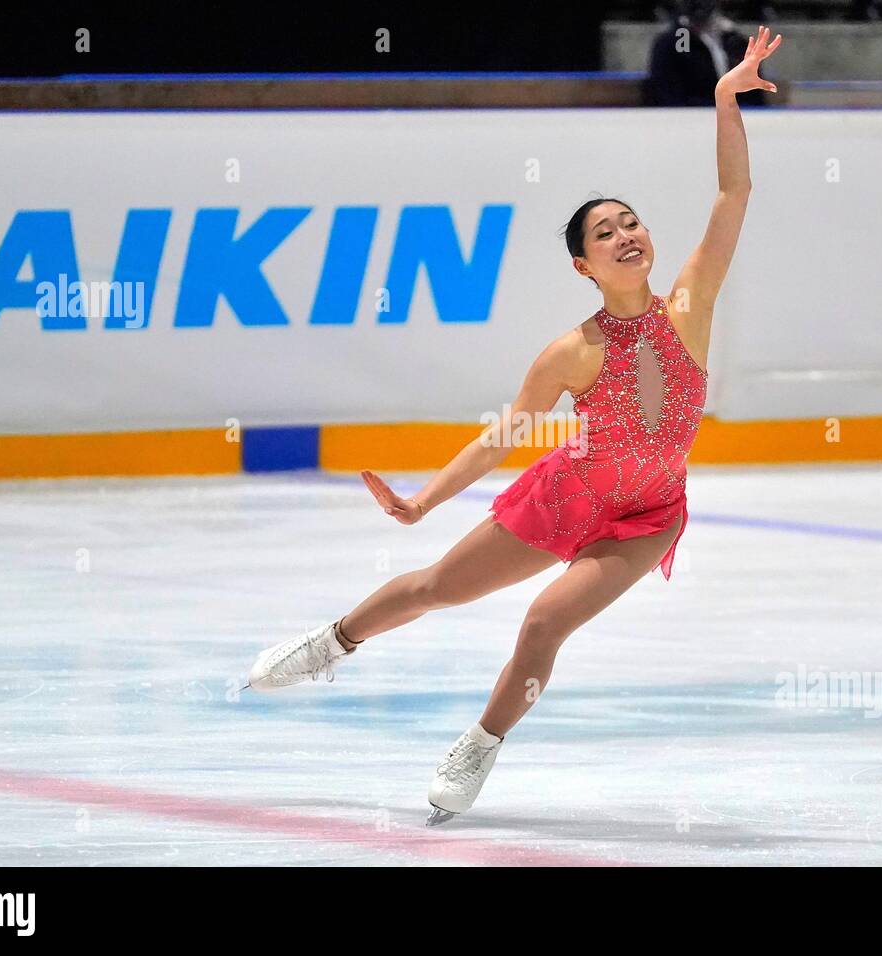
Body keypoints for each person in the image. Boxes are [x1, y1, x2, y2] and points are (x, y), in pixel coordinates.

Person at [244, 26, 783, 825]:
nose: (626, 234)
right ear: (584, 266)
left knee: (542, 621)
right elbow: (503, 436)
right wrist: (423, 502)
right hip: (564, 496)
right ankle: (334, 642)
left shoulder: (689, 307)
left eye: (630, 221)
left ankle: (480, 743)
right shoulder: (571, 352)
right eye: (606, 232)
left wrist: (723, 97)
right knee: (436, 588)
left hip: (644, 518)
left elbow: (733, 196)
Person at [645, 0, 771, 108]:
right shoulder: (670, 43)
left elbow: (754, 94)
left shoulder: (735, 41)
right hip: (690, 121)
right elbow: (668, 96)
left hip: (739, 121)